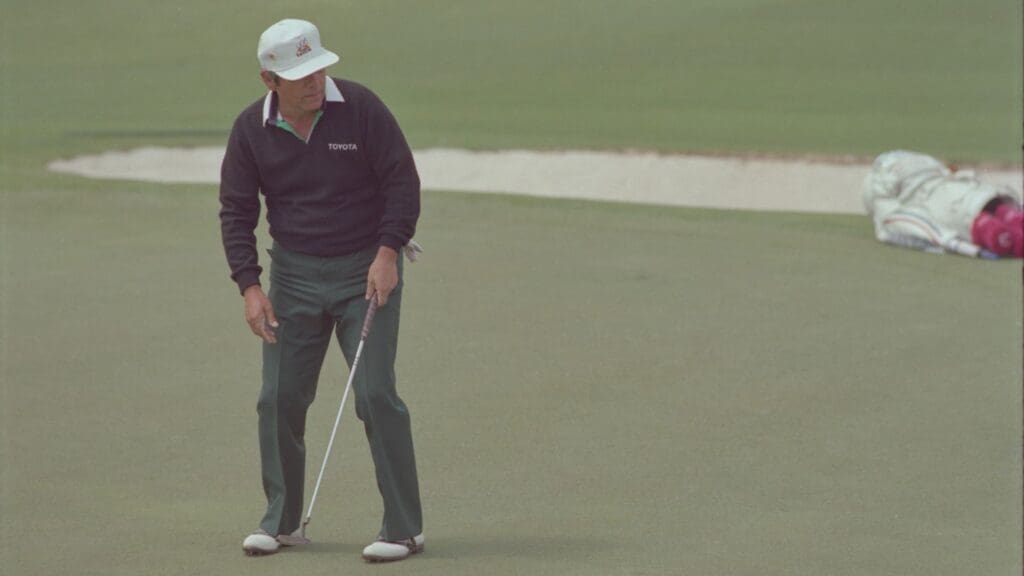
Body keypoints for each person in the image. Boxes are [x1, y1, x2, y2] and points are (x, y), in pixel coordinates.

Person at [219, 18, 424, 562]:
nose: (316, 81)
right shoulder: (249, 131)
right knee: (279, 398)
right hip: (292, 277)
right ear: (270, 80)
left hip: (366, 270)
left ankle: (403, 528)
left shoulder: (360, 108)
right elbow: (237, 212)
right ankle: (281, 521)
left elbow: (402, 181)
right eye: (300, 74)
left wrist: (388, 252)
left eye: (319, 68)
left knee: (375, 393)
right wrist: (250, 287)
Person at [862, 150, 1023, 259]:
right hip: (968, 196)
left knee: (994, 228)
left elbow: (903, 223)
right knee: (998, 221)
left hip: (954, 207)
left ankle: (999, 221)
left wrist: (956, 244)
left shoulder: (883, 195)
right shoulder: (916, 164)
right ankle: (1004, 217)